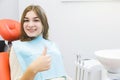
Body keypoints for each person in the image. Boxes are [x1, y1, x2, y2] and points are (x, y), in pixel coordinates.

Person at [9, 5, 68, 80]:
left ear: (44, 24)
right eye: (26, 20)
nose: (30, 25)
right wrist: (33, 68)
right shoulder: (17, 48)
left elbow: (62, 74)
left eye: (36, 20)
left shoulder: (52, 45)